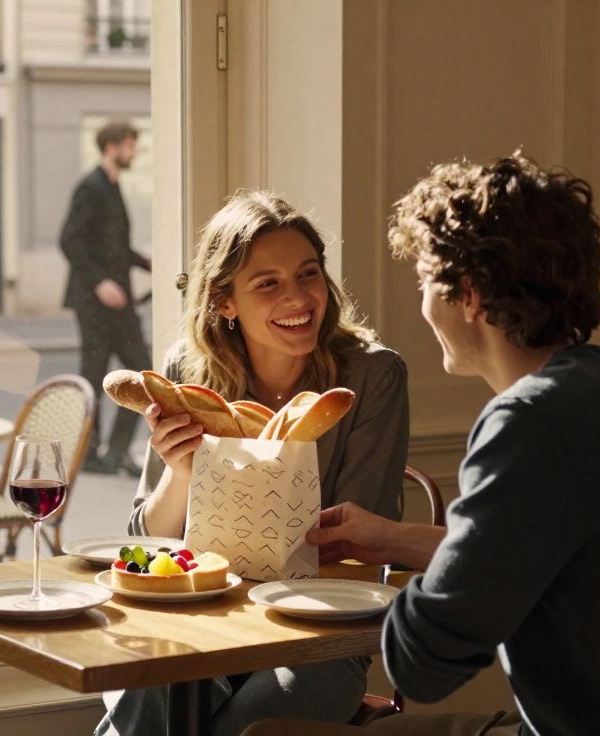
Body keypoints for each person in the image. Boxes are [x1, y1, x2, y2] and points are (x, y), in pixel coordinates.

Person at [245, 153, 600, 736]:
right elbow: (550, 553)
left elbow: (422, 665)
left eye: (424, 281)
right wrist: (392, 539)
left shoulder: (529, 423)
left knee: (265, 734)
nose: (422, 305)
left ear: (467, 295)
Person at [94, 191, 410, 735]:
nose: (299, 298)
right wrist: (181, 472)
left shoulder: (371, 377)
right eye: (268, 283)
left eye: (308, 274)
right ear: (224, 302)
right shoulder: (186, 373)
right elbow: (146, 544)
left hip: (318, 633)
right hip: (203, 619)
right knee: (151, 689)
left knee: (244, 727)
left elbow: (364, 543)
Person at [60, 120, 152, 476]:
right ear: (112, 147)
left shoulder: (112, 187)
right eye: (131, 145)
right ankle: (90, 454)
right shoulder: (91, 186)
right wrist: (100, 283)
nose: (135, 152)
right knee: (95, 375)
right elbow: (70, 240)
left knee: (141, 376)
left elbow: (112, 246)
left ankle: (115, 452)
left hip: (119, 301)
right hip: (95, 302)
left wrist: (145, 262)